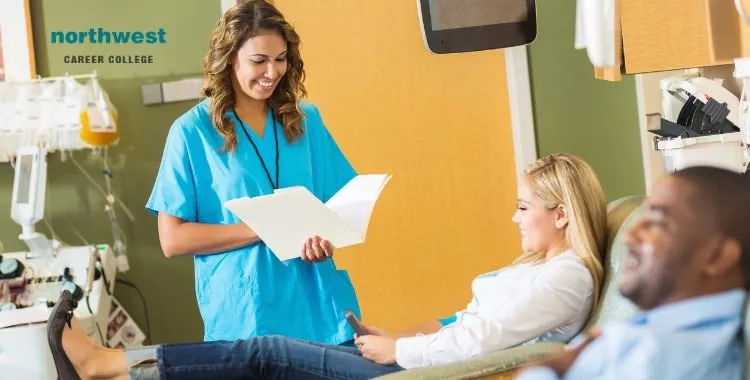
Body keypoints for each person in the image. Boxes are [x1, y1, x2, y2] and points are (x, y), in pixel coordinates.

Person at [47, 153, 608, 379]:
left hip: (434, 373)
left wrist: (399, 353)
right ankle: (120, 366)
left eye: (524, 207)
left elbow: (484, 340)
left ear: (561, 214)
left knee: (265, 351)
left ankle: (110, 366)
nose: (514, 218)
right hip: (423, 359)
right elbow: (466, 322)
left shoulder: (568, 278)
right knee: (262, 357)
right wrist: (396, 337)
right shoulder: (544, 269)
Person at [145, 0, 361, 344]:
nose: (272, 73)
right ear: (230, 58)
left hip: (320, 309)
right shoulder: (191, 132)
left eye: (280, 59)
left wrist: (326, 236)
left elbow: (340, 204)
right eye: (258, 61)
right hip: (246, 312)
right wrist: (262, 229)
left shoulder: (305, 121)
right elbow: (173, 239)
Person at [516, 166, 750, 380]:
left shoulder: (665, 356)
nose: (629, 236)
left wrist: (551, 367)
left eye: (656, 223)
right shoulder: (652, 335)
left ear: (717, 256)